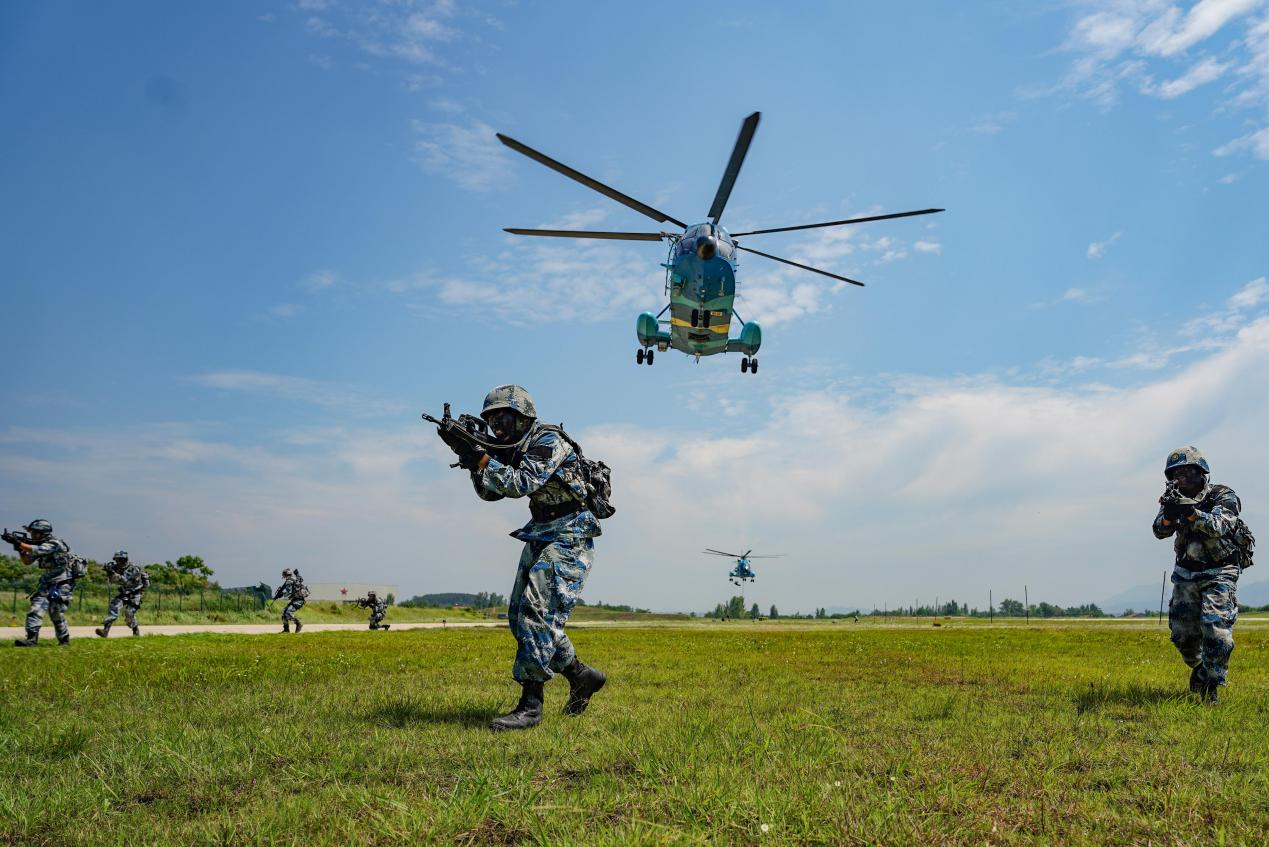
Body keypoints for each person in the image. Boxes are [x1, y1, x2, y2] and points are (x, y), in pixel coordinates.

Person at [436, 384, 606, 731]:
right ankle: (581, 676)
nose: (496, 426)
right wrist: (472, 460)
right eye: (491, 420)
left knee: (536, 613)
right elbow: (490, 494)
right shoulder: (511, 448)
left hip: (570, 534)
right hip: (541, 532)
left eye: (502, 419)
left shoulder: (548, 441)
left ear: (523, 417)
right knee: (518, 618)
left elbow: (519, 484)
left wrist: (481, 457)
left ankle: (531, 706)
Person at [1153, 446, 1253, 703]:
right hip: (1186, 572)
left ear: (1201, 472)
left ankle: (1211, 685)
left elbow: (1219, 526)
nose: (1181, 477)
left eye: (1186, 471)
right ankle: (1200, 668)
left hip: (1220, 570)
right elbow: (1159, 531)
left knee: (1216, 630)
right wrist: (1169, 517)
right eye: (1175, 473)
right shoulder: (1172, 497)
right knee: (1181, 635)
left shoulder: (1222, 495)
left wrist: (1190, 512)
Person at [9, 519, 77, 647]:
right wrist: (20, 549)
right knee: (35, 608)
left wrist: (19, 543)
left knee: (56, 612)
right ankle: (31, 639)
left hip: (62, 583)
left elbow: (38, 550)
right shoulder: (39, 544)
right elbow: (27, 561)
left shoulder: (55, 543)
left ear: (42, 533)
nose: (31, 535)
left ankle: (64, 640)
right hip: (47, 582)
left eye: (34, 532)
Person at [95, 550, 150, 637]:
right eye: (117, 560)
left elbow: (126, 582)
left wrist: (113, 573)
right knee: (114, 607)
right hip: (124, 592)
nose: (118, 562)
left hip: (135, 594)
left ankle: (135, 630)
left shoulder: (134, 568)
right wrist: (108, 572)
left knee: (129, 613)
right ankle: (105, 631)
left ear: (125, 560)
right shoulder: (116, 568)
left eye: (121, 560)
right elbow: (112, 580)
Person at [272, 568, 309, 633]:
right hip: (296, 600)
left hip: (298, 600)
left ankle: (298, 623)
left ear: (286, 575)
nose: (284, 577)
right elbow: (300, 581)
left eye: (284, 576)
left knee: (288, 613)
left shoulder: (289, 581)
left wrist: (281, 594)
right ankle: (286, 630)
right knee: (284, 614)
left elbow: (289, 593)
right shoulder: (295, 579)